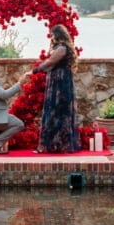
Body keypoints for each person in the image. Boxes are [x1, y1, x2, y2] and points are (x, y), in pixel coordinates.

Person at [31, 24, 79, 153]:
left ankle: (56, 145)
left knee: (58, 111)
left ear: (57, 35)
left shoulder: (62, 48)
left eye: (52, 35)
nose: (51, 37)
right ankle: (55, 145)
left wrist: (35, 70)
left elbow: (50, 62)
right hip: (57, 82)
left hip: (60, 84)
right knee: (56, 113)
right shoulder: (60, 48)